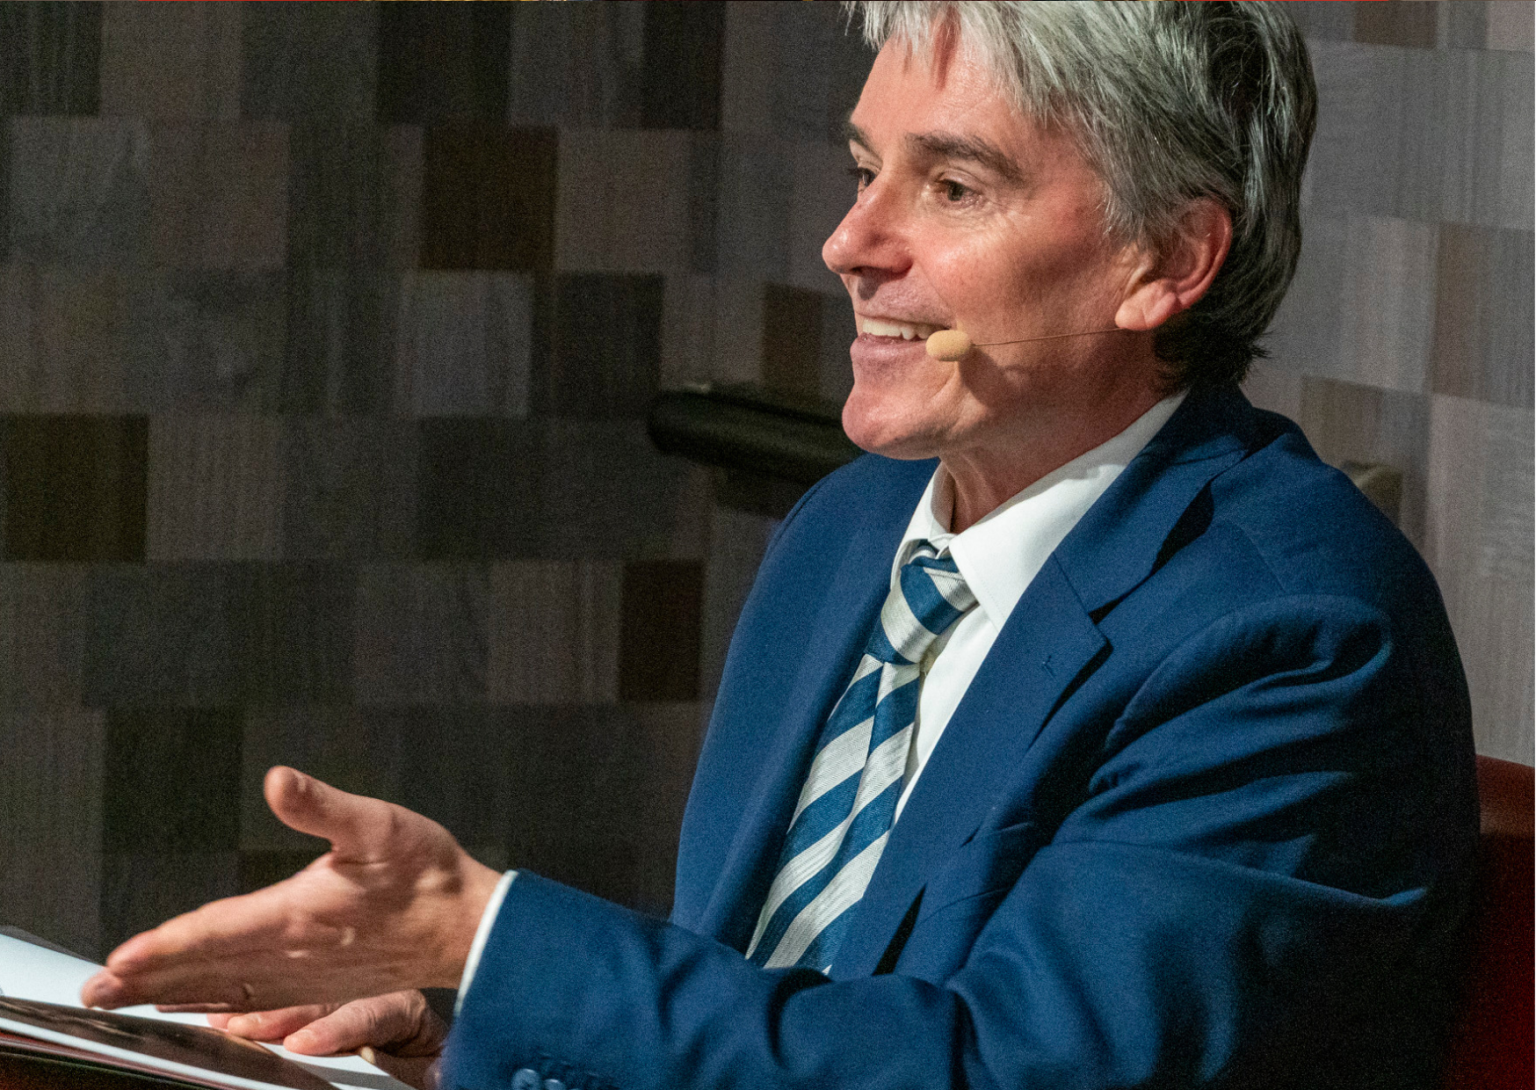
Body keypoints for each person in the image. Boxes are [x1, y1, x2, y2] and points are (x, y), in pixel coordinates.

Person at [82, 4, 1479, 1088]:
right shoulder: (853, 527)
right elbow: (785, 1011)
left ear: (1166, 261)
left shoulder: (1292, 638)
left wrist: (490, 930)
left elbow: (1001, 1076)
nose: (849, 242)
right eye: (868, 169)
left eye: (953, 187)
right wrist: (482, 1033)